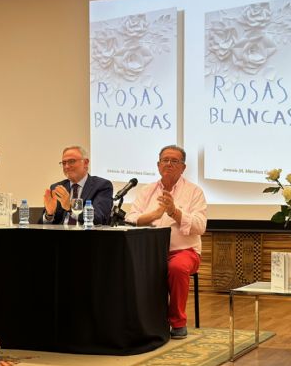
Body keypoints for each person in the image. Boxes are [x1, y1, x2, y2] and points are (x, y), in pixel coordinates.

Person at [126, 145, 207, 339]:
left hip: (184, 251)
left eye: (174, 161)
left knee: (177, 268)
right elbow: (130, 218)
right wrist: (155, 214)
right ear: (158, 164)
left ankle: (177, 322)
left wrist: (174, 212)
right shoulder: (147, 191)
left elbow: (199, 226)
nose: (169, 164)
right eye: (165, 160)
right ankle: (144, 322)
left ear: (183, 167)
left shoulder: (194, 192)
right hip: (151, 251)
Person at [41, 146, 113, 225]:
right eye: (64, 163)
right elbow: (41, 226)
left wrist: (70, 207)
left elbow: (99, 219)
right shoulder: (57, 187)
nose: (67, 166)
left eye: (71, 161)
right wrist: (49, 214)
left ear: (86, 163)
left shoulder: (102, 186)